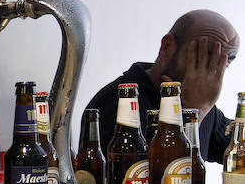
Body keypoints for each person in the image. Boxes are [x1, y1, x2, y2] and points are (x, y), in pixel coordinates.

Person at [84, 9, 239, 163]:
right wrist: (194, 111)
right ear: (167, 46)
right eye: (202, 56)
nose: (211, 72)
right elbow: (154, 180)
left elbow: (238, 147)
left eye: (223, 64)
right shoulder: (119, 102)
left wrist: (199, 109)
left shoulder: (202, 103)